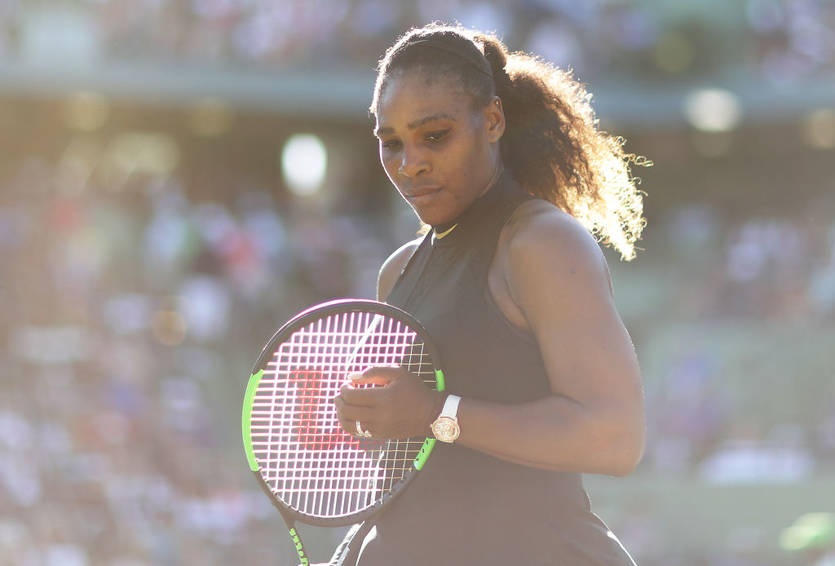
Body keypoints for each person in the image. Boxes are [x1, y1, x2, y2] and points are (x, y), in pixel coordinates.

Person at [333, 22, 647, 566]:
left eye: (435, 135)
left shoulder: (540, 243)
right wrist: (376, 418)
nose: (411, 163)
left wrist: (435, 412)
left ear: (494, 120)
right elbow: (427, 464)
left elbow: (615, 438)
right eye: (392, 143)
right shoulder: (398, 272)